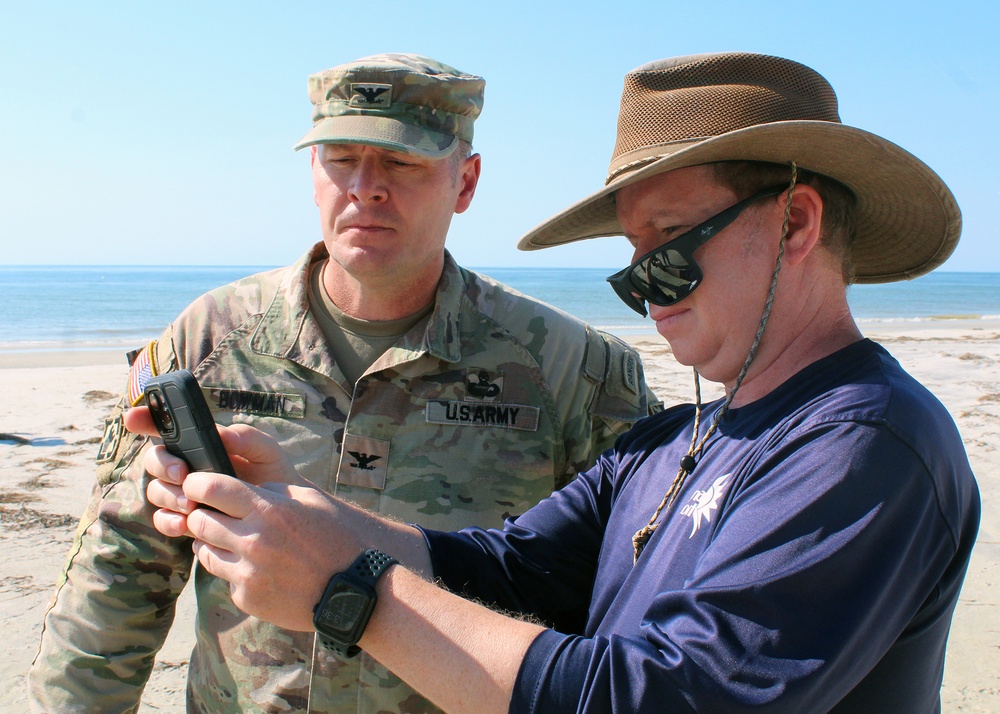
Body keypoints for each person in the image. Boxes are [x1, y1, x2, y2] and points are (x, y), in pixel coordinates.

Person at [133, 52, 979, 713]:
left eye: (672, 244)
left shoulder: (864, 447)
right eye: (633, 257)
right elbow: (503, 569)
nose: (642, 289)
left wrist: (349, 592)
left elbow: (665, 698)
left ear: (795, 222)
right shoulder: (673, 440)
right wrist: (303, 517)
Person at [28, 54, 659, 713]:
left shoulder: (571, 369)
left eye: (401, 161)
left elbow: (630, 597)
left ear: (465, 183)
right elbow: (119, 577)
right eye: (340, 158)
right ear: (311, 174)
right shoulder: (208, 342)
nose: (365, 187)